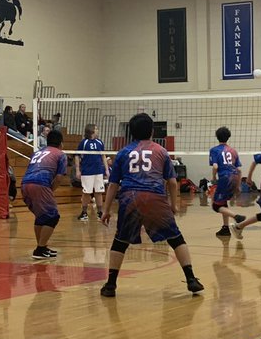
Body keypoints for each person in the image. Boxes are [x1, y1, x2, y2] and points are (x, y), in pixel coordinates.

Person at [98, 113, 203, 297]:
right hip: (154, 196)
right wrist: (173, 204)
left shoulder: (123, 153)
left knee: (120, 241)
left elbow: (113, 185)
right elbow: (171, 182)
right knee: (176, 238)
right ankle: (191, 279)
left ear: (130, 133)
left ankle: (110, 285)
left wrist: (105, 210)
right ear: (152, 131)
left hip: (130, 197)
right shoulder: (161, 151)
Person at [20, 130, 68, 259]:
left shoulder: (37, 152)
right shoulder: (60, 154)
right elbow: (58, 178)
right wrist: (50, 190)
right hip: (40, 183)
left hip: (25, 184)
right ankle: (40, 249)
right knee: (53, 216)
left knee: (41, 217)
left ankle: (42, 246)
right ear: (61, 143)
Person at [208, 126, 247, 237]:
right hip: (235, 177)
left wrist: (214, 178)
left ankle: (236, 217)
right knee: (223, 203)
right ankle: (225, 228)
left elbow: (215, 166)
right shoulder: (233, 151)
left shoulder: (214, 150)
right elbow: (239, 169)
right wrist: (238, 185)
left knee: (216, 206)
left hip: (225, 178)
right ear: (228, 137)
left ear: (217, 137)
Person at [75, 123, 107, 221]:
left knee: (99, 192)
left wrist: (106, 169)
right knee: (86, 193)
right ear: (91, 131)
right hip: (87, 172)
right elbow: (77, 156)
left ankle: (100, 212)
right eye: (96, 128)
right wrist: (77, 170)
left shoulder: (100, 142)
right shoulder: (84, 143)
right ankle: (84, 213)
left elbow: (103, 156)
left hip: (98, 171)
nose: (98, 130)